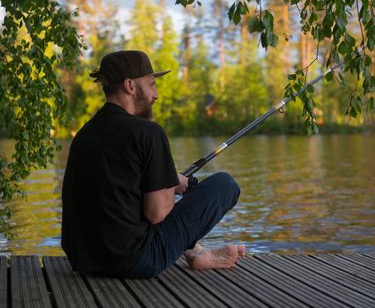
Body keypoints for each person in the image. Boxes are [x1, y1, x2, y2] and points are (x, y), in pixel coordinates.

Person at [61, 50, 245, 278]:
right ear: (130, 86)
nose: (156, 94)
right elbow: (156, 213)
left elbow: (116, 193)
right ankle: (195, 251)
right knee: (224, 185)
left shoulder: (84, 134)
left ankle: (196, 252)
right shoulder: (148, 132)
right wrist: (171, 185)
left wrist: (166, 180)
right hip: (135, 261)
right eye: (151, 85)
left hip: (83, 260)